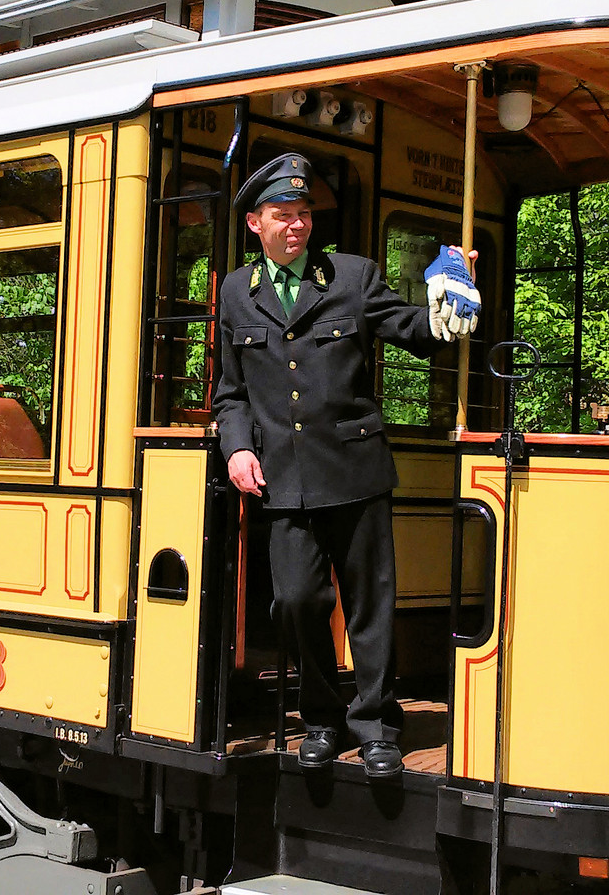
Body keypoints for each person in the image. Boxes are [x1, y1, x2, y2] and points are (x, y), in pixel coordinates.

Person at [213, 152, 478, 779]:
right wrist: (238, 447)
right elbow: (230, 392)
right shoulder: (234, 292)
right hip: (283, 479)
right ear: (256, 223)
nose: (297, 225)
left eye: (303, 214)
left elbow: (412, 327)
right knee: (299, 602)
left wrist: (449, 298)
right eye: (284, 215)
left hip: (355, 471)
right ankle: (322, 720)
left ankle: (379, 726)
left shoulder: (352, 278)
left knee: (368, 606)